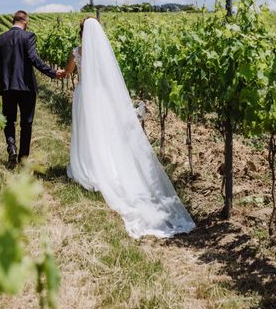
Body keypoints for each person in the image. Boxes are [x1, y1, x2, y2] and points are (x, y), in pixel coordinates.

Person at [61, 17, 195, 238]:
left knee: (86, 133)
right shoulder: (102, 52)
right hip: (101, 98)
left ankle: (88, 168)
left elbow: (67, 72)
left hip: (84, 97)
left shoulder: (77, 51)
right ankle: (108, 168)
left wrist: (62, 73)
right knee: (103, 134)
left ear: (81, 32)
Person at [0, 10, 65, 167]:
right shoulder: (28, 36)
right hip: (26, 87)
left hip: (7, 87)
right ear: (25, 22)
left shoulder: (0, 40)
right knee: (26, 123)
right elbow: (33, 59)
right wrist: (52, 73)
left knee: (9, 120)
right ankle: (23, 159)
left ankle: (11, 147)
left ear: (13, 21)